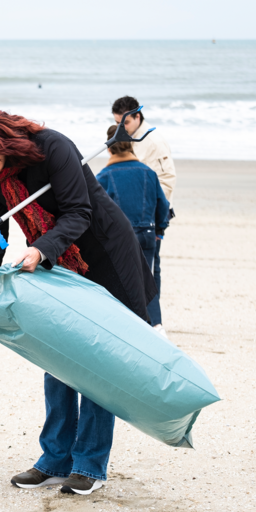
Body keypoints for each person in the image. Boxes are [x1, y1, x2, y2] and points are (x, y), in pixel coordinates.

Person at [0, 104, 155, 496]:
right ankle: (55, 459)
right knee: (57, 356)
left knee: (99, 362)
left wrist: (41, 249)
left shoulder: (54, 147)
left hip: (104, 255)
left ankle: (89, 465)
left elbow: (80, 212)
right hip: (56, 259)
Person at [111, 96, 176, 335]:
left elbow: (167, 180)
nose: (121, 128)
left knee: (150, 269)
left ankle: (152, 320)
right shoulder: (127, 139)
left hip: (150, 218)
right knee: (135, 269)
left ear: (137, 117)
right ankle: (143, 317)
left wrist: (154, 217)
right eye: (117, 123)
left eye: (124, 123)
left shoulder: (154, 141)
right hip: (130, 217)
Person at [96, 124, 170, 283]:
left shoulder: (103, 177)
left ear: (109, 149)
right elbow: (162, 204)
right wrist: (159, 230)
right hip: (146, 235)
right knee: (145, 287)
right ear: (131, 146)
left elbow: (95, 212)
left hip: (118, 238)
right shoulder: (149, 173)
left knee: (121, 287)